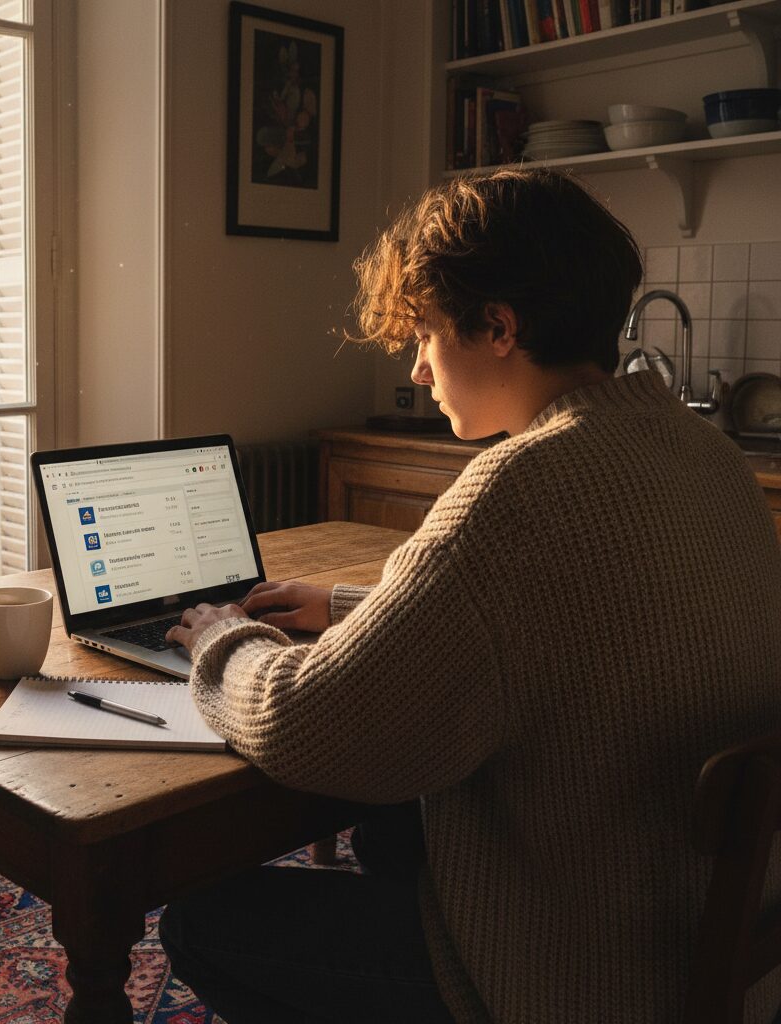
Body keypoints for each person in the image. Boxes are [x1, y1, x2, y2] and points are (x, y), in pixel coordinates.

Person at [159, 167, 781, 1023]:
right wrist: (347, 609)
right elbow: (571, 620)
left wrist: (224, 636)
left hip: (584, 975)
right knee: (395, 824)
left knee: (201, 921)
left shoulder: (520, 488)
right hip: (712, 932)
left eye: (424, 334)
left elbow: (310, 724)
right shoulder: (705, 454)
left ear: (497, 326)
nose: (416, 369)